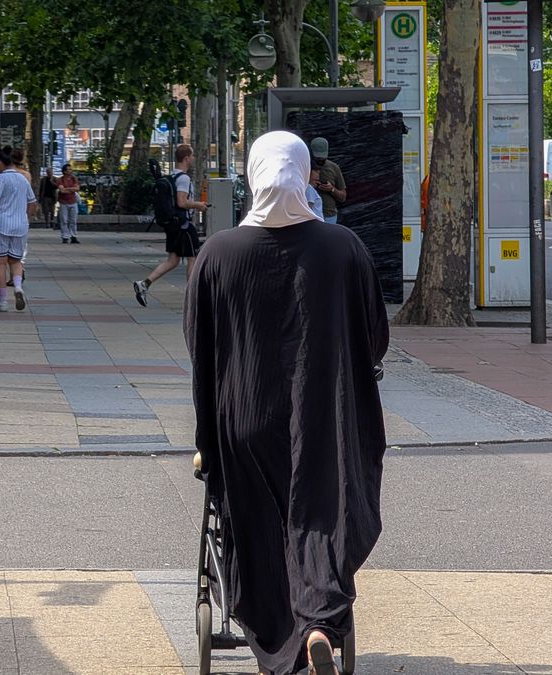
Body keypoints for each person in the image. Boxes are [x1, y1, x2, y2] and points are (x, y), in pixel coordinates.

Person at [184, 130, 388, 675]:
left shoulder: (217, 254)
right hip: (325, 415)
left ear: (252, 176)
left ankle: (279, 643)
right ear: (303, 174)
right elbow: (375, 337)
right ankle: (320, 620)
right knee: (325, 511)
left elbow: (199, 349)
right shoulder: (342, 249)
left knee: (252, 521)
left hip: (243, 419)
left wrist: (207, 438)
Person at [133, 144, 206, 307]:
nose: (193, 159)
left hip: (172, 224)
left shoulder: (172, 176)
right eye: (192, 156)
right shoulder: (184, 178)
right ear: (186, 158)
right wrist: (198, 205)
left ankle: (144, 284)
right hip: (183, 225)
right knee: (192, 258)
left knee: (173, 260)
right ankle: (192, 296)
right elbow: (182, 201)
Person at [0, 147, 36, 312]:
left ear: (0, 162)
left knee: (0, 262)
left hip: (1, 224)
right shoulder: (23, 178)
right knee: (16, 261)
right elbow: (32, 202)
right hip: (20, 225)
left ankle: (3, 300)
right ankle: (17, 286)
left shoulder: (0, 179)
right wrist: (26, 217)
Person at [309, 137, 347, 224]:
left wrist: (332, 189)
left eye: (322, 158)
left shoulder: (333, 168)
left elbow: (343, 197)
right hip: (310, 215)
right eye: (317, 158)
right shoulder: (305, 166)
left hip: (328, 216)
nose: (320, 161)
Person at [56, 164, 81, 243]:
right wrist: (71, 189)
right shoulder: (60, 180)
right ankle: (65, 236)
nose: (70, 171)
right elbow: (62, 190)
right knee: (64, 220)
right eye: (69, 169)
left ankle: (74, 236)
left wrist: (67, 189)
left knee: (73, 220)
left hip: (73, 201)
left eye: (71, 169)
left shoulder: (74, 179)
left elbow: (77, 188)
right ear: (64, 171)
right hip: (64, 202)